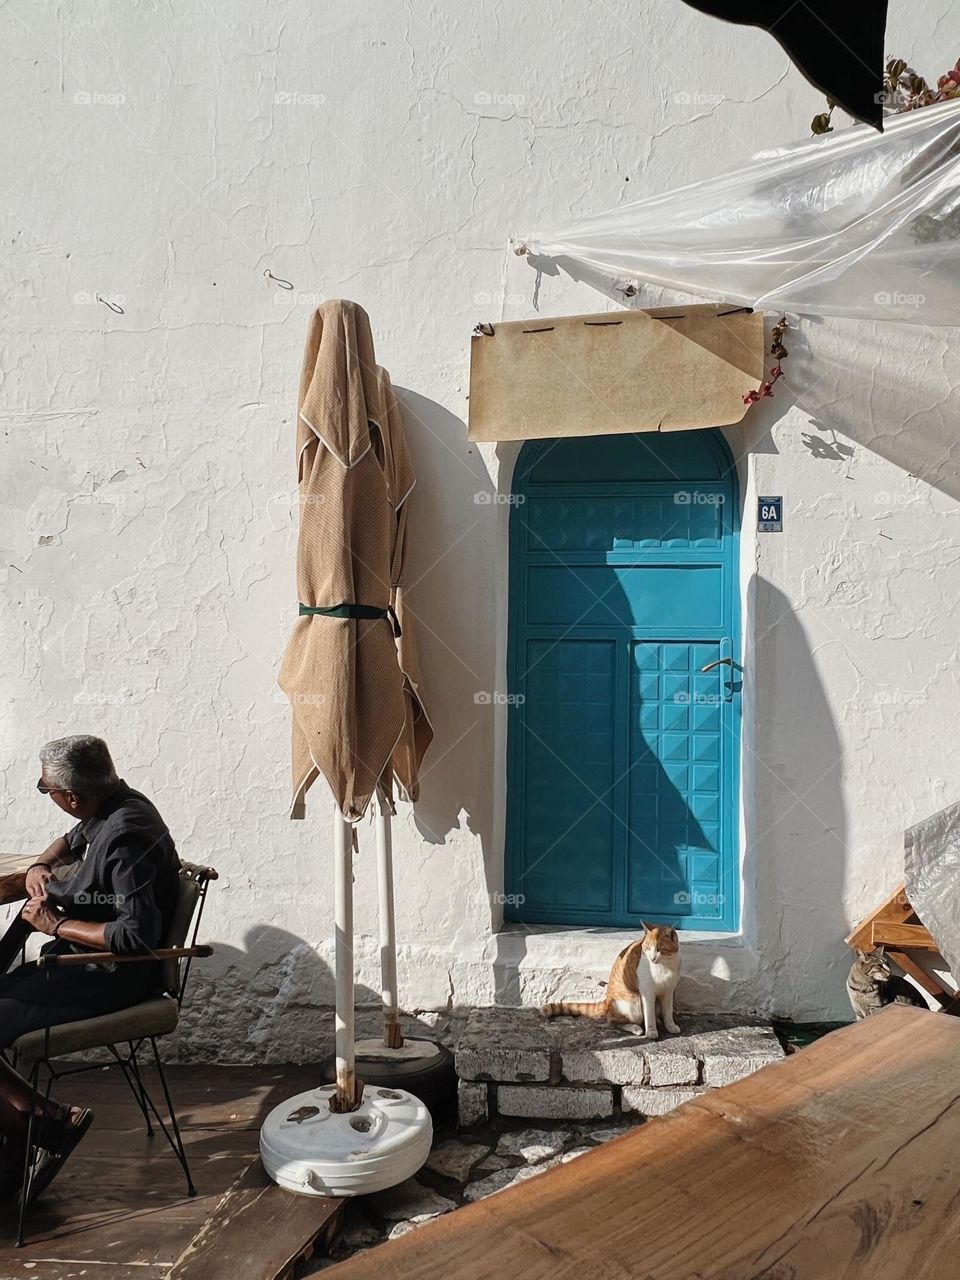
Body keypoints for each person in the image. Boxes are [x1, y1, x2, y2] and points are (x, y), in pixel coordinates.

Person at [0, 736, 181, 1201]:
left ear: (73, 796)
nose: (48, 795)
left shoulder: (125, 837)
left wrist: (56, 925)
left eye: (47, 790)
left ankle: (39, 1126)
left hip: (105, 977)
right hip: (80, 966)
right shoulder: (112, 804)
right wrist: (42, 864)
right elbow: (71, 840)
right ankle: (36, 1123)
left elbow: (135, 936)